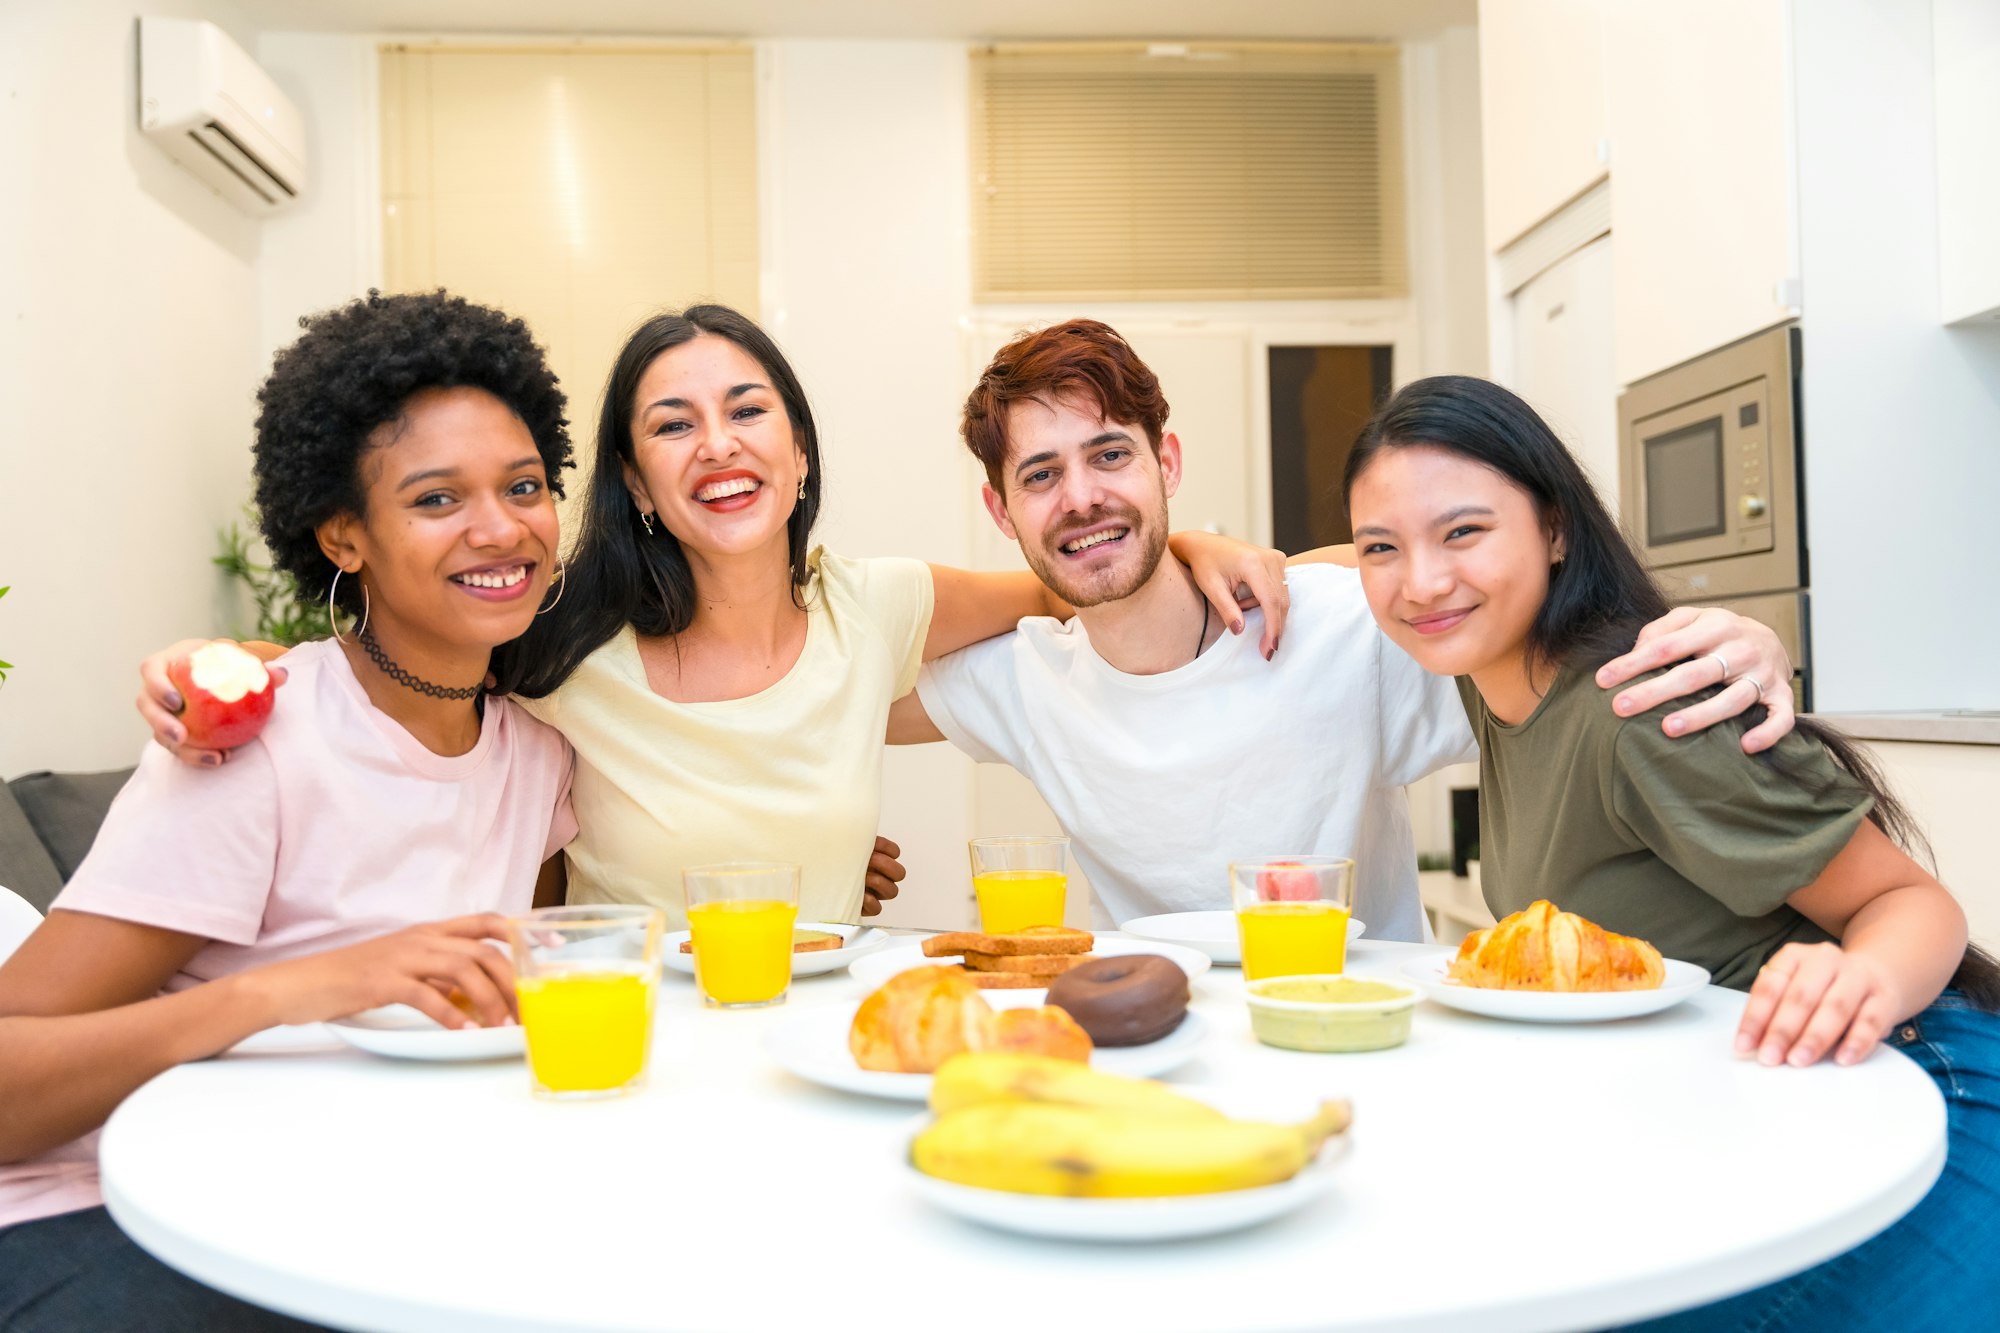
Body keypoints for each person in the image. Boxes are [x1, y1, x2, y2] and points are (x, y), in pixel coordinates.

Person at [138, 305, 1281, 928]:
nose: (720, 443)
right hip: (634, 1057)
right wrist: (232, 661)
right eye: (673, 424)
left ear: (794, 453)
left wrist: (1194, 539)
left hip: (814, 1048)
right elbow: (390, 666)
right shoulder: (554, 638)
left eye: (747, 409)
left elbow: (1078, 569)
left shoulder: (875, 605)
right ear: (635, 479)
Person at [1341, 373, 2000, 1326]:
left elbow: (1911, 904)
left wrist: (1861, 982)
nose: (1423, 580)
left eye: (1465, 532)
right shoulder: (1493, 679)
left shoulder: (1637, 708)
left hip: (1920, 1083)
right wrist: (1206, 546)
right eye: (1381, 549)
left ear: (1556, 529)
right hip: (1785, 1095)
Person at [0, 291, 579, 1331]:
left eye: (524, 486)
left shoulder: (539, 761)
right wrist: (298, 988)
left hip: (334, 1200)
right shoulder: (256, 740)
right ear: (343, 535)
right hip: (100, 1211)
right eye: (437, 499)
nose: (501, 527)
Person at [893, 319, 1795, 938]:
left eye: (1110, 455)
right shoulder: (1022, 679)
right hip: (1158, 1051)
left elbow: (1560, 650)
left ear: (1166, 462)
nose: (1083, 494)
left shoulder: (1345, 623)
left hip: (1366, 1044)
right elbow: (816, 678)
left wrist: (1740, 636)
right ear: (1001, 511)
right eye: (1041, 476)